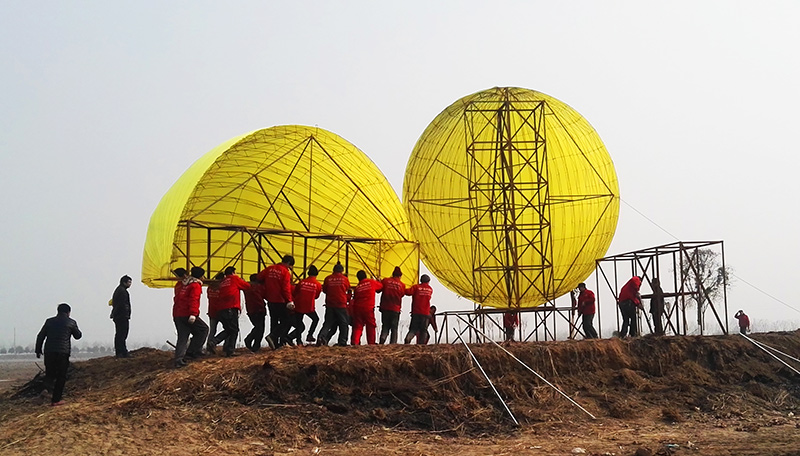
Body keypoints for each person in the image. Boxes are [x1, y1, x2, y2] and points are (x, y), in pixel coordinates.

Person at [35, 303, 82, 406]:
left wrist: (38, 350)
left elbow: (40, 336)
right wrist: (75, 328)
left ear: (58, 311)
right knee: (61, 376)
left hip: (49, 352)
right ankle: (56, 400)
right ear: (68, 312)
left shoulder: (49, 321)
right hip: (62, 352)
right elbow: (78, 336)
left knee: (50, 374)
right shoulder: (71, 322)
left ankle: (46, 389)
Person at [173, 266, 210, 367]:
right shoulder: (195, 285)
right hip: (187, 313)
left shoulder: (182, 285)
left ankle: (179, 359)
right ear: (201, 276)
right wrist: (193, 314)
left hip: (178, 314)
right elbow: (194, 299)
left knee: (183, 337)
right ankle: (192, 352)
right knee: (203, 329)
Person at [258, 255, 295, 348]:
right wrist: (289, 300)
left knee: (274, 321)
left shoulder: (270, 268)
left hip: (270, 299)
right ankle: (273, 336)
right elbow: (285, 288)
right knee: (286, 321)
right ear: (289, 264)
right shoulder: (285, 272)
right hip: (280, 300)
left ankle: (274, 344)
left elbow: (259, 277)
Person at [213, 266, 250, 356]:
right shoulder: (234, 279)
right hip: (231, 308)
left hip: (221, 309)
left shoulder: (222, 282)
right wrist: (242, 280)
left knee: (229, 329)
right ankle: (228, 349)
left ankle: (216, 342)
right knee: (234, 330)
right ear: (233, 272)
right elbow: (247, 286)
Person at [317, 262, 351, 346]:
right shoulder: (344, 279)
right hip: (341, 304)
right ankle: (342, 342)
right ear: (342, 271)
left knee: (328, 323)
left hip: (330, 304)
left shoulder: (327, 278)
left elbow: (324, 290)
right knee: (344, 323)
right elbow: (347, 288)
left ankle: (321, 337)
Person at [290, 265, 322, 345]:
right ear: (316, 274)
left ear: (308, 273)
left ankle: (299, 341)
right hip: (309, 306)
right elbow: (317, 296)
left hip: (298, 305)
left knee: (298, 323)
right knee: (315, 319)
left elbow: (295, 292)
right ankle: (310, 335)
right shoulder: (317, 284)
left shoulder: (302, 282)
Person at [350, 270, 383, 345]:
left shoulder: (358, 287)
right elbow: (381, 287)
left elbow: (355, 297)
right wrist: (378, 281)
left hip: (357, 308)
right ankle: (371, 343)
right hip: (368, 308)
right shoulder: (371, 282)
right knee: (370, 325)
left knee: (358, 326)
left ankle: (355, 342)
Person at [379, 266, 407, 344]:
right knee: (394, 328)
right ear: (400, 276)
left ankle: (382, 339)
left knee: (385, 326)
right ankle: (393, 344)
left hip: (385, 307)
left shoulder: (385, 281)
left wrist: (379, 281)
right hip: (395, 309)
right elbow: (402, 294)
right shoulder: (402, 285)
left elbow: (379, 289)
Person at [404, 274, 434, 344]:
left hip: (416, 312)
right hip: (426, 313)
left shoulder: (416, 287)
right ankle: (422, 345)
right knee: (423, 330)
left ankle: (408, 339)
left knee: (413, 329)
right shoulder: (430, 289)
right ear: (428, 281)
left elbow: (407, 292)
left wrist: (404, 287)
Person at [110, 275, 132, 358]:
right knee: (122, 334)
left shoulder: (119, 290)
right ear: (124, 282)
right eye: (129, 282)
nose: (130, 284)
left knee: (120, 334)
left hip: (119, 315)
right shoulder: (122, 292)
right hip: (121, 316)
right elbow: (121, 304)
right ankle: (121, 352)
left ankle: (121, 351)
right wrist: (125, 314)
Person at [243, 274, 267, 352]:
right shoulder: (259, 287)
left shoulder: (246, 287)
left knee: (257, 327)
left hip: (250, 310)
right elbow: (266, 295)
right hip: (259, 309)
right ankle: (254, 344)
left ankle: (250, 341)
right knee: (260, 328)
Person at [205, 272, 224, 354]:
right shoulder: (222, 288)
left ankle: (209, 347)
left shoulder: (209, 288)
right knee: (229, 330)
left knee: (212, 330)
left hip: (211, 312)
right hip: (221, 311)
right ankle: (216, 343)